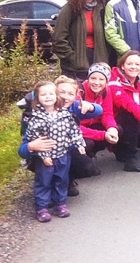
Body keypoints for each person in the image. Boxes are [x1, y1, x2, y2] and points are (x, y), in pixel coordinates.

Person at [25, 80, 86, 222]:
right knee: (44, 181)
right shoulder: (36, 118)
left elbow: (74, 130)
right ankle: (42, 208)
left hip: (63, 155)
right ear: (38, 98)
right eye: (44, 94)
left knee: (61, 180)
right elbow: (35, 139)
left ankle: (60, 204)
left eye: (51, 94)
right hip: (45, 157)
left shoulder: (64, 114)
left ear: (56, 96)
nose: (48, 97)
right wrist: (44, 155)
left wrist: (79, 144)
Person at [52, 0, 110, 81]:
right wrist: (73, 58)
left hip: (98, 62)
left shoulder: (102, 7)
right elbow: (58, 40)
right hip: (76, 67)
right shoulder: (70, 9)